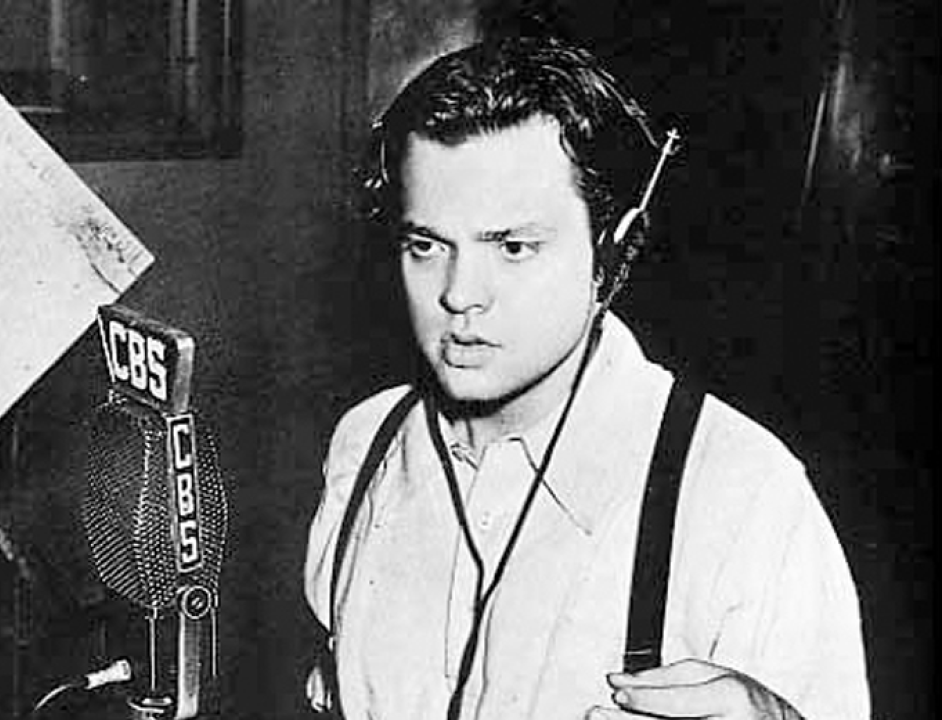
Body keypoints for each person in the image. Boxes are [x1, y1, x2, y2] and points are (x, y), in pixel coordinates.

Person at [303, 29, 870, 720]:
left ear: (613, 248)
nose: (459, 294)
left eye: (514, 247)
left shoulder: (746, 496)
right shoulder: (365, 444)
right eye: (426, 245)